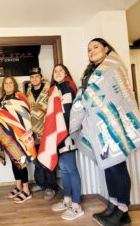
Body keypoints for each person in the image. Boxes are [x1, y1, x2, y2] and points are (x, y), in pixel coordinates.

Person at [70, 38, 140, 226]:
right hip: (99, 129)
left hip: (112, 124)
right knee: (108, 167)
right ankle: (113, 204)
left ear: (106, 49)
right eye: (88, 49)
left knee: (117, 168)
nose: (91, 51)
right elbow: (85, 96)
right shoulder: (89, 73)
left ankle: (123, 210)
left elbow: (119, 94)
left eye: (95, 47)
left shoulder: (113, 66)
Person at [43, 64, 84, 220]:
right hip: (57, 135)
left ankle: (76, 205)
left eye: (61, 70)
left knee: (71, 169)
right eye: (55, 71)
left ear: (66, 73)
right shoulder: (54, 89)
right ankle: (67, 200)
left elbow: (69, 113)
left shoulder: (68, 87)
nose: (58, 73)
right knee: (64, 170)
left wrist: (66, 133)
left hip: (67, 134)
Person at [0, 76, 36, 203]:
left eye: (10, 83)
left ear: (14, 85)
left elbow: (25, 116)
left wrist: (24, 135)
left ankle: (26, 190)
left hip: (20, 137)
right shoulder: (0, 101)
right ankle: (18, 187)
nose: (8, 85)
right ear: (3, 86)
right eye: (5, 83)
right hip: (7, 137)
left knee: (21, 163)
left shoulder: (20, 97)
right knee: (14, 162)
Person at [25, 67, 57, 201]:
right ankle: (40, 183)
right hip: (33, 132)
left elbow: (54, 107)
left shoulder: (49, 90)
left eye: (37, 76)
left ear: (41, 77)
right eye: (32, 77)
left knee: (47, 159)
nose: (34, 79)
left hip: (47, 130)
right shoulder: (27, 93)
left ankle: (51, 186)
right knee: (37, 159)